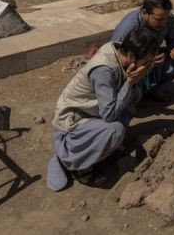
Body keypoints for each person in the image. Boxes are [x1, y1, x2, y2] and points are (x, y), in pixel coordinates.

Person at [46, 28, 159, 191]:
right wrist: (129, 83)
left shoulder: (121, 53)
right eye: (147, 62)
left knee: (134, 95)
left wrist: (132, 84)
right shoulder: (104, 69)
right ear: (131, 57)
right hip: (71, 123)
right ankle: (75, 163)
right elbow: (109, 114)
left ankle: (95, 148)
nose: (148, 66)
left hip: (91, 114)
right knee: (115, 130)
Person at [111, 0, 174, 101]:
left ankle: (152, 89)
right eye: (158, 20)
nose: (164, 23)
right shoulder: (128, 28)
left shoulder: (166, 17)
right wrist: (147, 61)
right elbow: (117, 62)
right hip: (132, 68)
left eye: (166, 19)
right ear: (144, 12)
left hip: (152, 61)